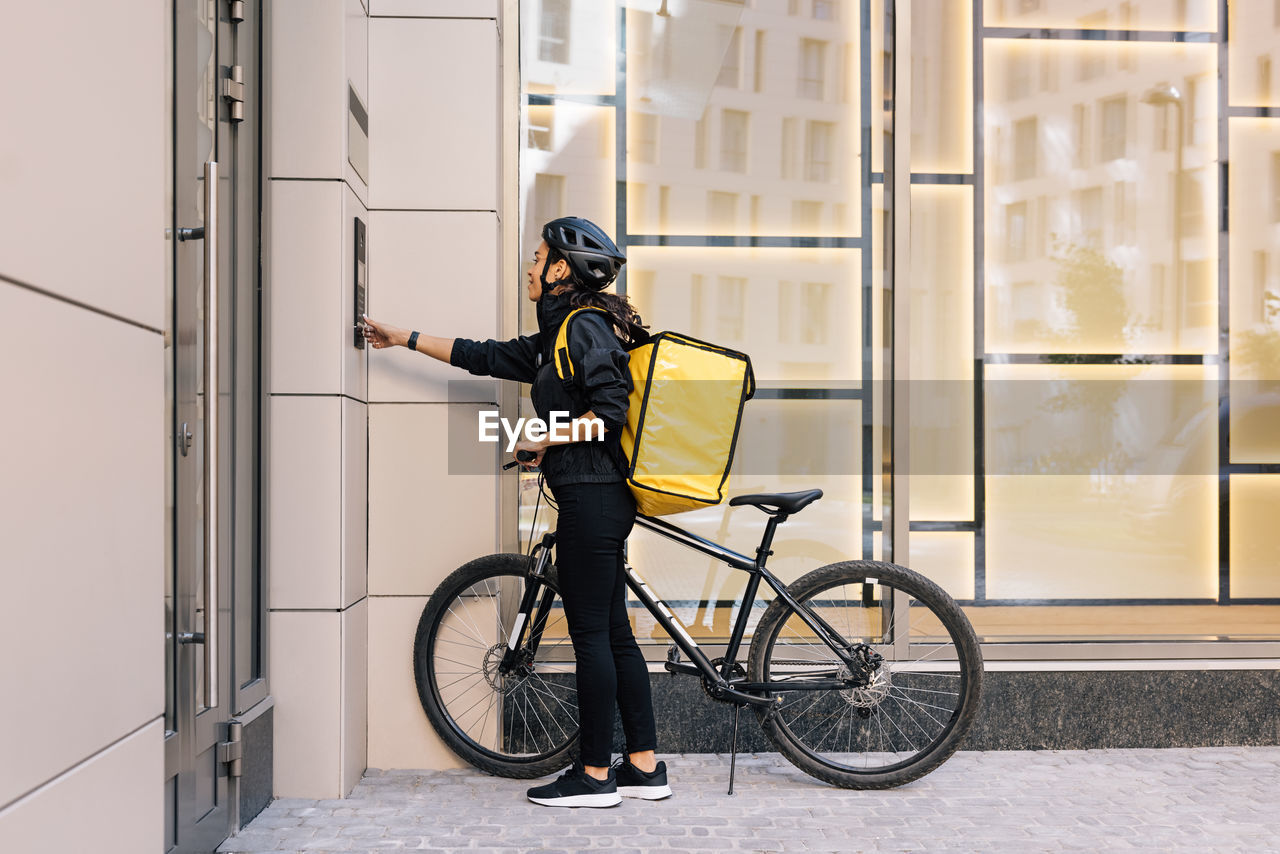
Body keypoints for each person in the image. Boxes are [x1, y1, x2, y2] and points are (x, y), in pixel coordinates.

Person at [361, 217, 671, 808]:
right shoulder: (561, 335)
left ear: (560, 270)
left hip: (594, 497)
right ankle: (643, 767)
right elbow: (484, 356)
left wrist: (542, 439)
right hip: (595, 496)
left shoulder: (583, 328)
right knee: (613, 633)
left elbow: (610, 413)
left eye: (537, 257)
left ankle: (595, 778)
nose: (528, 266)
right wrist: (402, 337)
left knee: (593, 637)